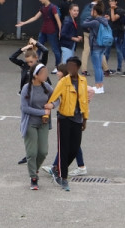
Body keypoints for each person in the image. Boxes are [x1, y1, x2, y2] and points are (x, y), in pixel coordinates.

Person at [45, 57, 89, 192]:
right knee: (63, 149)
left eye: (73, 66)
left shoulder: (83, 80)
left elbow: (84, 101)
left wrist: (85, 118)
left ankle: (57, 169)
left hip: (77, 119)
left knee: (75, 148)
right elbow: (53, 97)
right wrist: (46, 113)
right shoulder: (64, 82)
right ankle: (63, 178)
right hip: (64, 118)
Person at [20, 63, 55, 190]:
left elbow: (56, 98)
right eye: (43, 73)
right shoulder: (26, 88)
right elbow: (25, 108)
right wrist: (42, 112)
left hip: (44, 123)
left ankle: (35, 169)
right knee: (32, 152)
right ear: (35, 75)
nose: (46, 75)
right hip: (30, 123)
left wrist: (52, 105)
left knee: (43, 152)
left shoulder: (47, 86)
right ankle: (33, 178)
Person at [15, 0, 62, 66]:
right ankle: (34, 64)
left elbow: (58, 20)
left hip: (52, 31)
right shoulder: (43, 8)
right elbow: (35, 17)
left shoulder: (53, 7)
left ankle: (58, 66)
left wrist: (60, 31)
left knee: (55, 49)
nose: (40, 0)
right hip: (43, 31)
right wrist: (24, 23)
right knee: (37, 47)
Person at [81, 3, 109, 94]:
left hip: (95, 46)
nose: (91, 12)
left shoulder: (95, 22)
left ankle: (98, 86)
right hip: (102, 46)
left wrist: (90, 16)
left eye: (92, 11)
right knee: (99, 67)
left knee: (97, 67)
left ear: (95, 12)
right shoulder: (104, 20)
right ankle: (101, 86)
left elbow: (84, 24)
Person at [79, 0, 108, 76]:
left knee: (85, 51)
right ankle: (106, 69)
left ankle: (84, 70)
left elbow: (82, 19)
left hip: (86, 31)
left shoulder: (86, 6)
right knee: (100, 51)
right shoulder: (99, 6)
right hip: (97, 33)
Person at [58, 4, 82, 70]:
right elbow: (62, 34)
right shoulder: (68, 21)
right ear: (70, 11)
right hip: (67, 45)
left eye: (77, 10)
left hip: (70, 45)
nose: (76, 12)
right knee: (66, 65)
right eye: (74, 10)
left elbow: (70, 32)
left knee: (68, 64)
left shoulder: (72, 20)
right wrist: (74, 38)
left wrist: (77, 36)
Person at [106, 0, 125, 76]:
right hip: (109, 33)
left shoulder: (120, 11)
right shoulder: (107, 10)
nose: (111, 3)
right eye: (110, 1)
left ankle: (119, 68)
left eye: (113, 1)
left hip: (118, 33)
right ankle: (105, 67)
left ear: (116, 2)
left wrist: (112, 10)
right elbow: (106, 18)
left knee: (118, 50)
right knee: (107, 51)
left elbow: (113, 19)